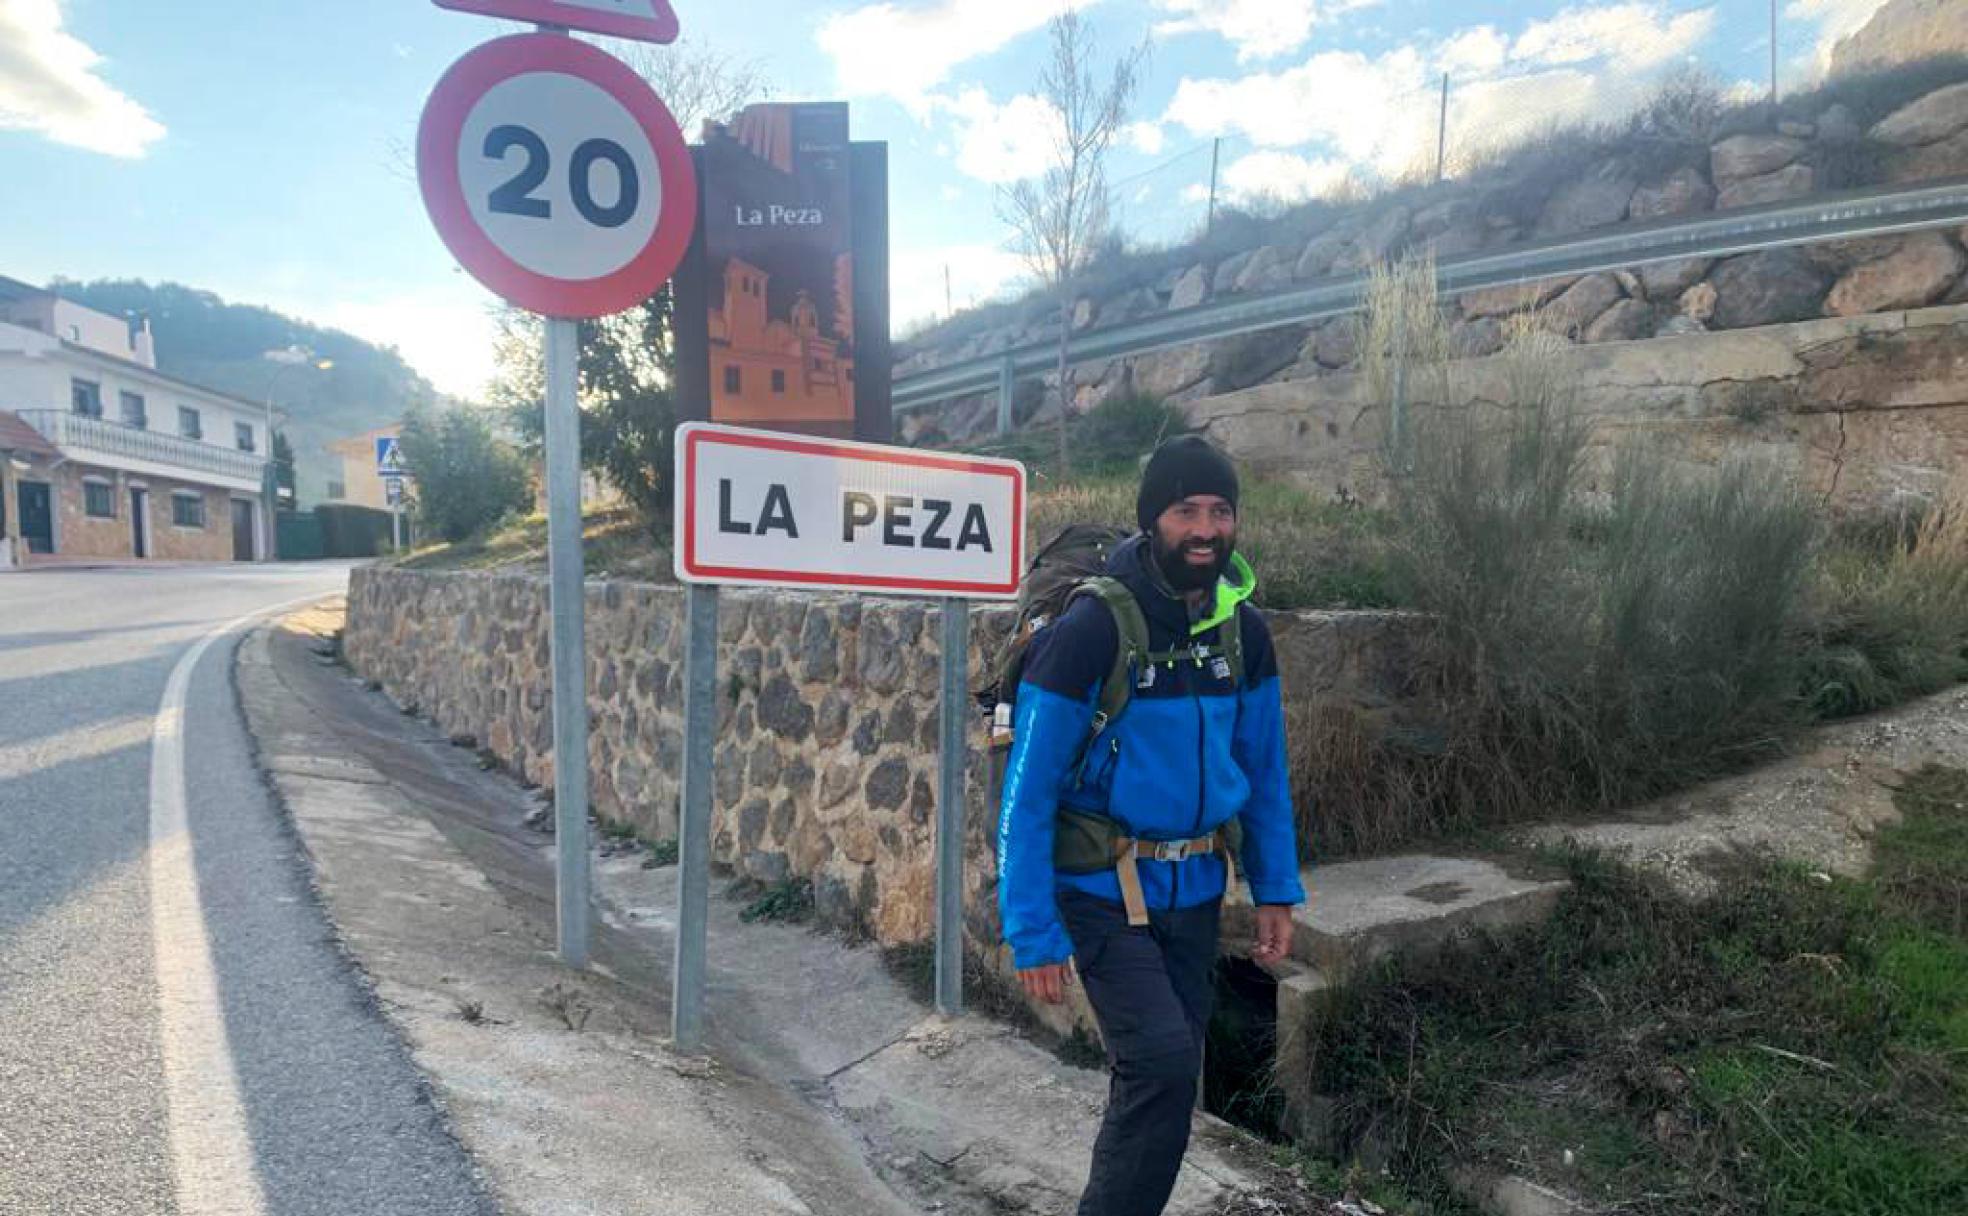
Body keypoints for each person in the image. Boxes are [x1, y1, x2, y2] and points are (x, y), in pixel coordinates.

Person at [996, 435, 1308, 1216]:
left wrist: (1275, 888)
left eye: (1220, 511)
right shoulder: (1092, 631)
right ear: (1151, 519)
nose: (1205, 529)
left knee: (1165, 1078)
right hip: (1099, 887)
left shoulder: (1245, 633)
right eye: (1185, 510)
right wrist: (1032, 929)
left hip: (1195, 889)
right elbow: (1026, 792)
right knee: (1163, 1065)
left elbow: (1264, 771)